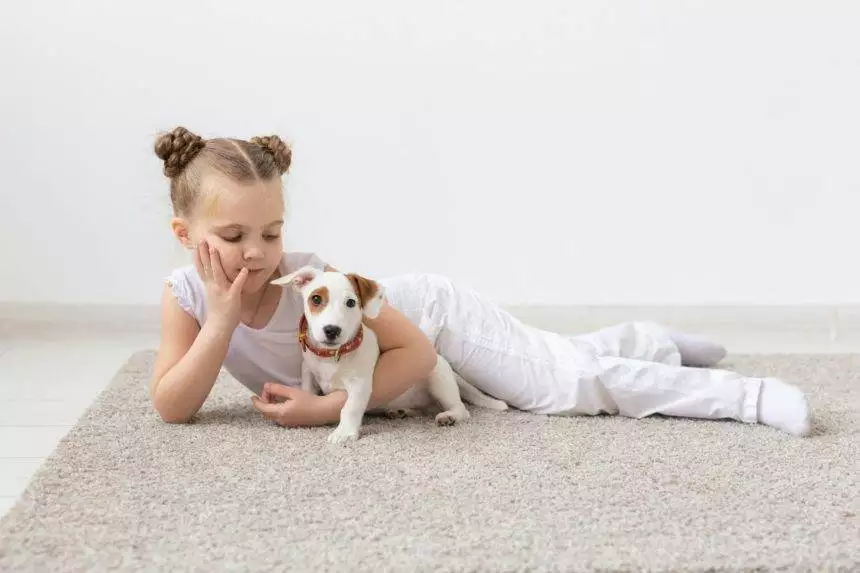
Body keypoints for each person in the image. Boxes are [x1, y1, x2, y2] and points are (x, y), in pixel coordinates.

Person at [150, 127, 812, 437]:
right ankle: (644, 339)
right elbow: (173, 404)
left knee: (563, 386)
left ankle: (745, 397)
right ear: (186, 235)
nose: (260, 252)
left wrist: (328, 409)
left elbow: (418, 353)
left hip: (436, 318)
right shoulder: (185, 296)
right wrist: (222, 316)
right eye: (235, 238)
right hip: (404, 351)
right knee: (553, 361)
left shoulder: (311, 278)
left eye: (273, 231)